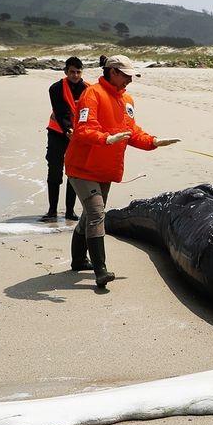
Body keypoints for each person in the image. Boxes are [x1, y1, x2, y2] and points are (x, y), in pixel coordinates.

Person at [65, 55, 179, 288]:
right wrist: (106, 139)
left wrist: (153, 141)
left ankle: (78, 260)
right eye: (126, 75)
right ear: (113, 72)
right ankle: (101, 271)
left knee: (89, 215)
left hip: (105, 168)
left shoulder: (127, 100)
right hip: (82, 167)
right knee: (97, 214)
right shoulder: (92, 94)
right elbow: (83, 130)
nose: (130, 80)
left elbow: (132, 132)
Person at [41, 56, 87, 221]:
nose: (75, 75)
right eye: (72, 72)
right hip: (57, 133)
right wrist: (68, 129)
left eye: (78, 72)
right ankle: (52, 211)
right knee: (55, 171)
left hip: (78, 136)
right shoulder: (55, 89)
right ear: (66, 72)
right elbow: (61, 112)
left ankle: (69, 211)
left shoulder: (88, 89)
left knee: (73, 173)